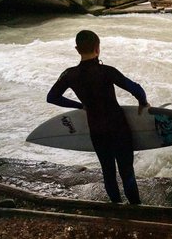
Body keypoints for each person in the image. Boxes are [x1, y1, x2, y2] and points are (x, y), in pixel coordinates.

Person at [47, 30, 150, 205]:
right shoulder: (107, 71)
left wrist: (80, 105)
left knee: (108, 172)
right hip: (119, 128)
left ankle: (116, 206)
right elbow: (136, 88)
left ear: (77, 49)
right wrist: (143, 102)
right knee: (126, 171)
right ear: (98, 48)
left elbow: (52, 97)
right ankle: (136, 207)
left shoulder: (69, 74)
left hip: (97, 130)